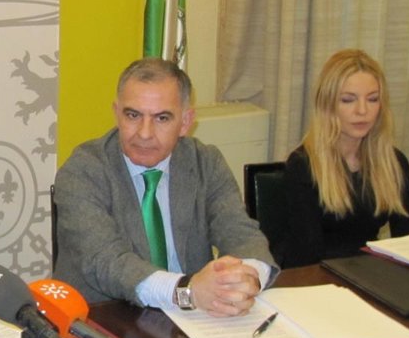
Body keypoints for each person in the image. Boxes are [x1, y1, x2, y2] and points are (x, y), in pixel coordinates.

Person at [54, 58, 276, 315]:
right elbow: (106, 262)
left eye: (161, 118)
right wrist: (186, 291)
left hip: (193, 321)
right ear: (117, 113)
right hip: (105, 318)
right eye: (133, 115)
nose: (144, 133)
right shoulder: (83, 170)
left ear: (186, 122)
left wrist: (246, 279)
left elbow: (241, 234)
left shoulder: (205, 163)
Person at [282, 49, 409, 267]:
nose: (362, 110)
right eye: (348, 100)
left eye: (372, 99)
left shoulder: (394, 163)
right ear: (327, 105)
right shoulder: (303, 165)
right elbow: (306, 256)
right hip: (318, 276)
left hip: (369, 273)